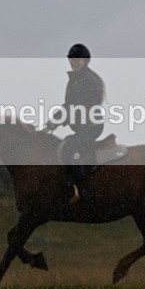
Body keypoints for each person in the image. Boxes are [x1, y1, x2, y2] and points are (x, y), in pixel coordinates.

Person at [44, 43, 105, 202]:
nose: (74, 62)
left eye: (78, 59)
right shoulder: (74, 81)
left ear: (85, 61)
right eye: (72, 59)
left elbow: (80, 106)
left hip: (91, 126)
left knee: (71, 149)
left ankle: (83, 192)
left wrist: (59, 121)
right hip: (81, 128)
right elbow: (68, 105)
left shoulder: (90, 80)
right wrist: (53, 121)